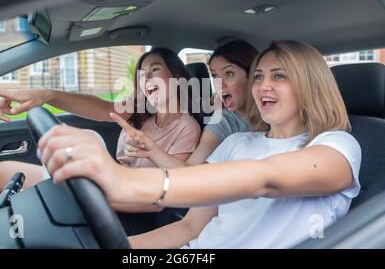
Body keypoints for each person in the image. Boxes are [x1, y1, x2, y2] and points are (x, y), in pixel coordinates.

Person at [38, 40, 362, 249]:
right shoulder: (235, 141)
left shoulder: (338, 146)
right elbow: (189, 228)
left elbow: (266, 177)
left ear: (309, 86)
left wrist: (122, 180)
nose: (264, 85)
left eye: (279, 76)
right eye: (260, 76)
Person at [0, 47, 201, 209]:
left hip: (128, 194)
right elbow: (101, 109)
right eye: (141, 74)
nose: (145, 77)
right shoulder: (139, 109)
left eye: (155, 69)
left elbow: (170, 188)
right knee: (0, 173)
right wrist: (45, 95)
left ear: (177, 75)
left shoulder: (187, 128)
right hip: (105, 178)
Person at [120, 40, 257, 167]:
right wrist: (151, 149)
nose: (219, 84)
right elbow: (190, 170)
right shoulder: (222, 122)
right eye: (215, 76)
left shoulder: (272, 116)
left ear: (253, 75)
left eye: (229, 74)